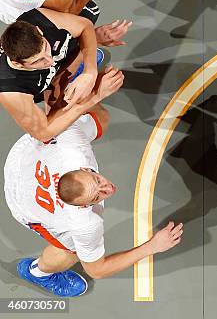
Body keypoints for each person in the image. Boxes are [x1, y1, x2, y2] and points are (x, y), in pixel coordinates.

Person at [3, 80, 183, 297]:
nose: (108, 188)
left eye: (98, 181)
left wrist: (88, 82)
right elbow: (97, 269)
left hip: (21, 158)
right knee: (71, 251)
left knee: (98, 120)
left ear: (84, 169)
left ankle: (75, 79)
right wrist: (152, 246)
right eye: (97, 196)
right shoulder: (83, 224)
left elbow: (59, 108)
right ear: (83, 206)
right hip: (23, 205)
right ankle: (37, 272)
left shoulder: (72, 145)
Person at [0, 7, 124, 141]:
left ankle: (75, 67)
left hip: (55, 74)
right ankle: (58, 88)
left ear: (39, 31)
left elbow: (85, 25)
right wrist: (95, 95)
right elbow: (43, 133)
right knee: (102, 118)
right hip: (38, 89)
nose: (50, 60)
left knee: (80, 38)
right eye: (38, 60)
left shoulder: (38, 20)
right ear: (18, 64)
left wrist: (90, 71)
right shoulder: (12, 91)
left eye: (46, 48)